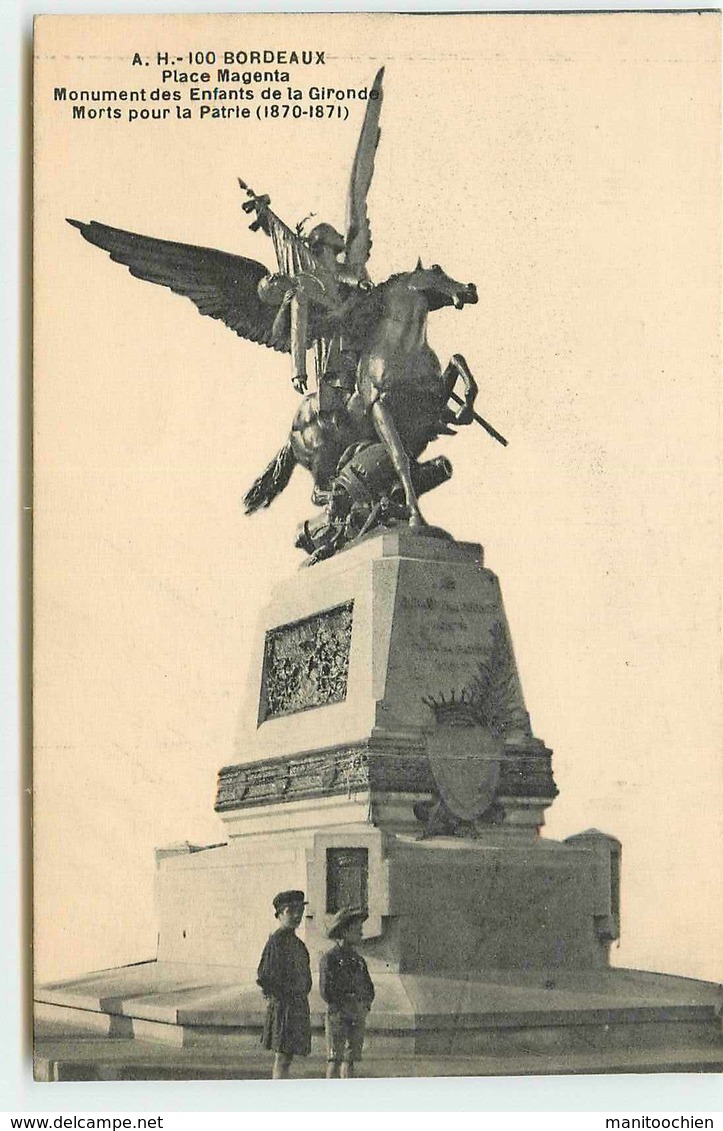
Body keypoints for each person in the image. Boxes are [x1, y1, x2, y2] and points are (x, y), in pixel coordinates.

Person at [256, 889, 312, 1080]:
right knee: (282, 1057)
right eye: (290, 911)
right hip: (284, 1007)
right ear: (279, 914)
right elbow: (264, 975)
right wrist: (280, 995)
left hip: (296, 1006)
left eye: (299, 911)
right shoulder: (276, 941)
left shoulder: (297, 944)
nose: (297, 915)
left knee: (287, 1057)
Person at [319, 907, 375, 1079]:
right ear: (343, 931)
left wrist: (365, 1005)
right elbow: (326, 990)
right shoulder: (330, 958)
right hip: (338, 1014)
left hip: (357, 1013)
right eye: (356, 928)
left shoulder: (358, 960)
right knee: (334, 1058)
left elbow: (368, 987)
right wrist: (342, 1003)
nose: (360, 932)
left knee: (350, 1059)